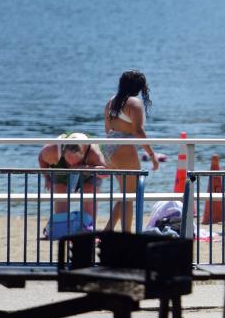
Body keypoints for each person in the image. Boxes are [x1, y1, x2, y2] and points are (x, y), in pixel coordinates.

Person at [102, 70, 163, 231]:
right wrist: (152, 154)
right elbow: (138, 131)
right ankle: (126, 235)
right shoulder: (134, 103)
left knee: (125, 194)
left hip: (109, 147)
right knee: (129, 196)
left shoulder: (111, 101)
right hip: (124, 147)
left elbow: (107, 129)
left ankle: (107, 230)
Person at [37, 132, 108, 231]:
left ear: (83, 154)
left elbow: (106, 173)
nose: (72, 165)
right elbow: (41, 158)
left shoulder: (93, 152)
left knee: (89, 193)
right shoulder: (52, 149)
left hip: (89, 170)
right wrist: (47, 178)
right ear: (63, 152)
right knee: (61, 198)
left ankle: (88, 228)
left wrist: (85, 168)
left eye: (76, 162)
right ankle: (61, 228)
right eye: (68, 161)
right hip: (61, 169)